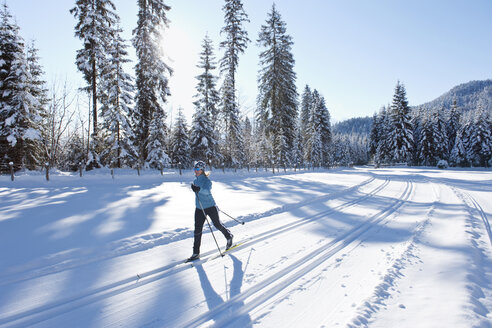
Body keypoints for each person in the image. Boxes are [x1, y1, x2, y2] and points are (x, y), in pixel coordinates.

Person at [187, 160, 233, 262]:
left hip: (211, 207)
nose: (196, 171)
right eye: (195, 169)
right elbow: (198, 191)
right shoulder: (195, 180)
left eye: (198, 169)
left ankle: (229, 236)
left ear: (202, 170)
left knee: (217, 225)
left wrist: (198, 189)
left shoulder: (207, 181)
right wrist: (195, 188)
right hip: (199, 208)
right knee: (197, 230)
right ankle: (195, 253)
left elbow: (207, 191)